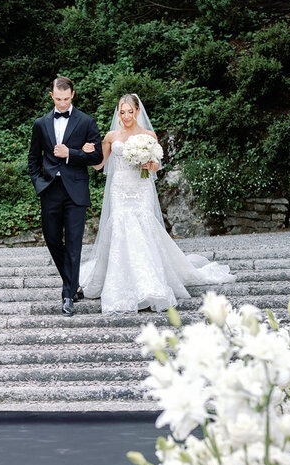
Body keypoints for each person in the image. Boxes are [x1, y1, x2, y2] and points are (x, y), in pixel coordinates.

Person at [79, 93, 235, 313]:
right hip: (119, 188)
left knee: (143, 228)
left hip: (141, 188)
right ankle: (122, 283)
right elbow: (98, 165)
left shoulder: (148, 135)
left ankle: (149, 284)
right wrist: (87, 153)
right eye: (122, 112)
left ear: (137, 111)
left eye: (129, 111)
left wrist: (149, 164)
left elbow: (156, 166)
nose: (125, 116)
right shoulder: (111, 136)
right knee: (121, 227)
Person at [28, 76, 103, 316]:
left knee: (73, 243)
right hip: (50, 189)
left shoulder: (86, 121)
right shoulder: (40, 124)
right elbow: (33, 158)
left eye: (66, 99)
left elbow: (97, 158)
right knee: (51, 238)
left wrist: (70, 153)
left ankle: (67, 295)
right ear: (52, 96)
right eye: (58, 99)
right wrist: (39, 182)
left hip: (76, 191)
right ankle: (73, 283)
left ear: (73, 95)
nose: (62, 104)